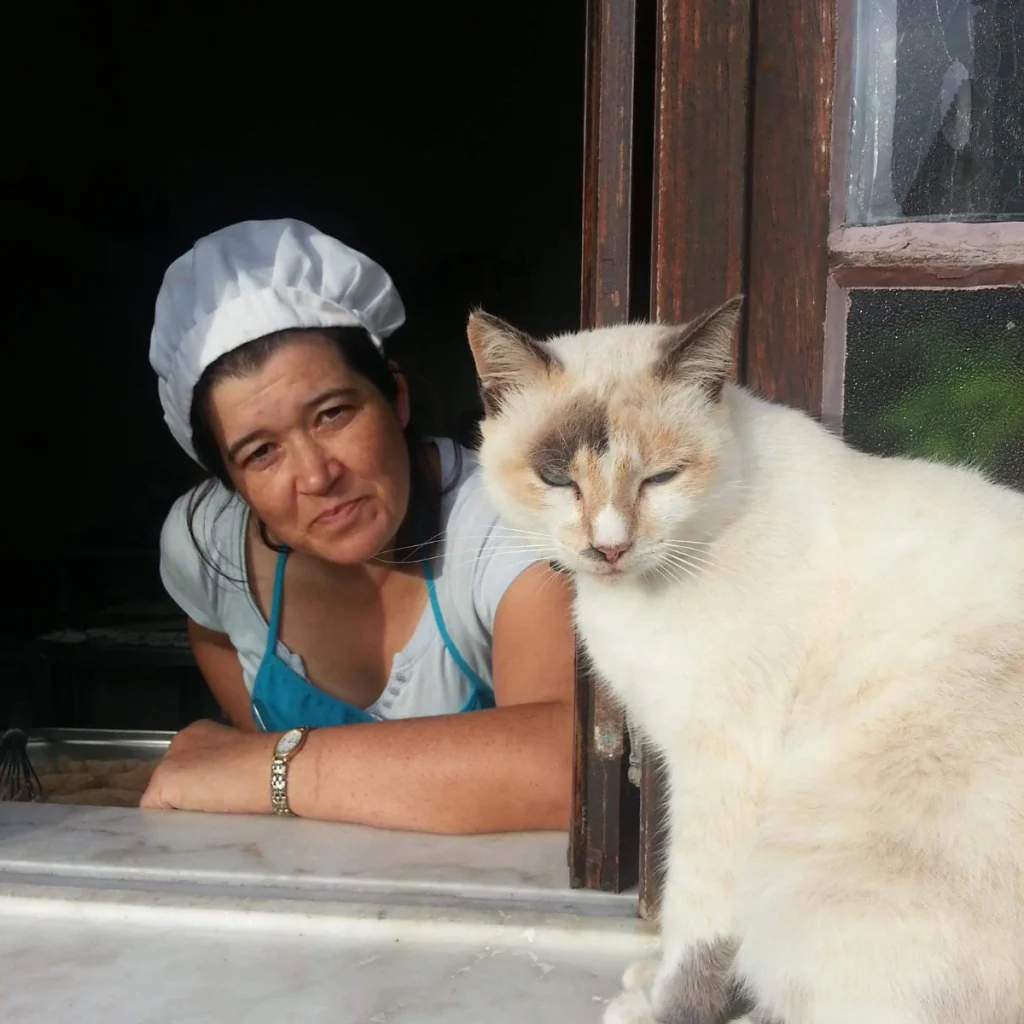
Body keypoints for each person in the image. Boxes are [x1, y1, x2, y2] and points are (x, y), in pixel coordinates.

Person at [141, 219, 575, 832]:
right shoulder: (207, 541)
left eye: (332, 413)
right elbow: (212, 632)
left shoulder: (505, 522)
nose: (317, 475)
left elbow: (564, 765)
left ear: (396, 396)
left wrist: (268, 767)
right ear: (231, 484)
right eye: (260, 453)